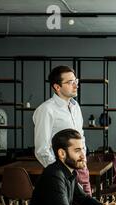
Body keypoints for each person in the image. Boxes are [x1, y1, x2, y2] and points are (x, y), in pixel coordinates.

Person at [33, 65, 92, 195]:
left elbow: (81, 136)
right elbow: (42, 150)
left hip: (81, 168)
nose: (76, 85)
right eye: (70, 82)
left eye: (76, 81)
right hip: (62, 173)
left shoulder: (75, 107)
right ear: (57, 87)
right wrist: (60, 173)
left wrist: (83, 161)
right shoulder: (46, 110)